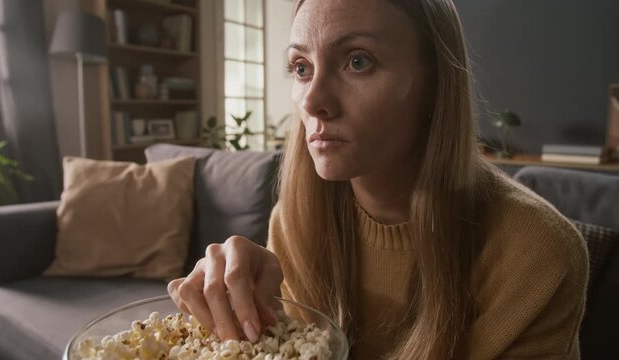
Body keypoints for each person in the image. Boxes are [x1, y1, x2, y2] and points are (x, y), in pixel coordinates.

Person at [168, 0, 589, 358]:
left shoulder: (538, 256)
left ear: (435, 85)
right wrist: (251, 327)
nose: (313, 101)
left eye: (358, 61)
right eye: (300, 67)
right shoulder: (294, 220)